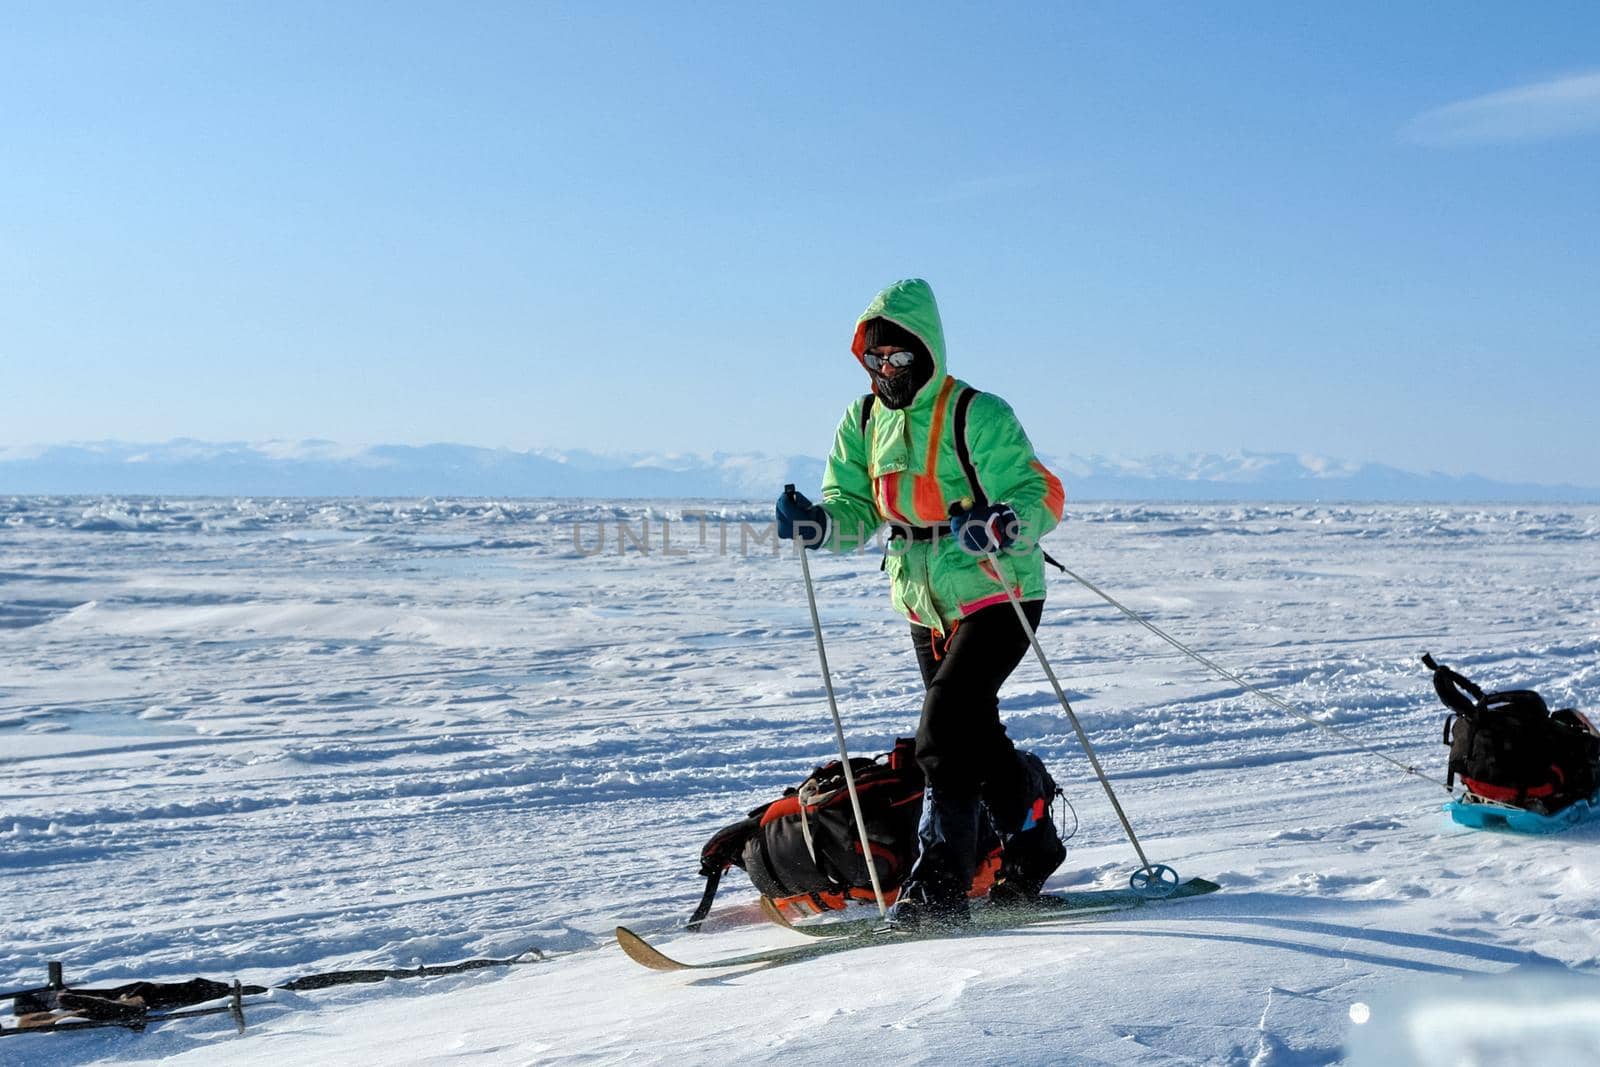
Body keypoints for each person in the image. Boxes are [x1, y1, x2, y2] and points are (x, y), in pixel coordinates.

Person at [775, 277, 1069, 927]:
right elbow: (855, 508)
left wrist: (1003, 522)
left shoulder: (975, 413)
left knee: (942, 735)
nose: (886, 371)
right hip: (924, 603)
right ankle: (1033, 845)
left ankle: (939, 886)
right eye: (874, 360)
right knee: (976, 737)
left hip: (1001, 589)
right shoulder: (861, 421)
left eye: (899, 358)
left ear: (927, 353)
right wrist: (818, 524)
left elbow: (1040, 491)